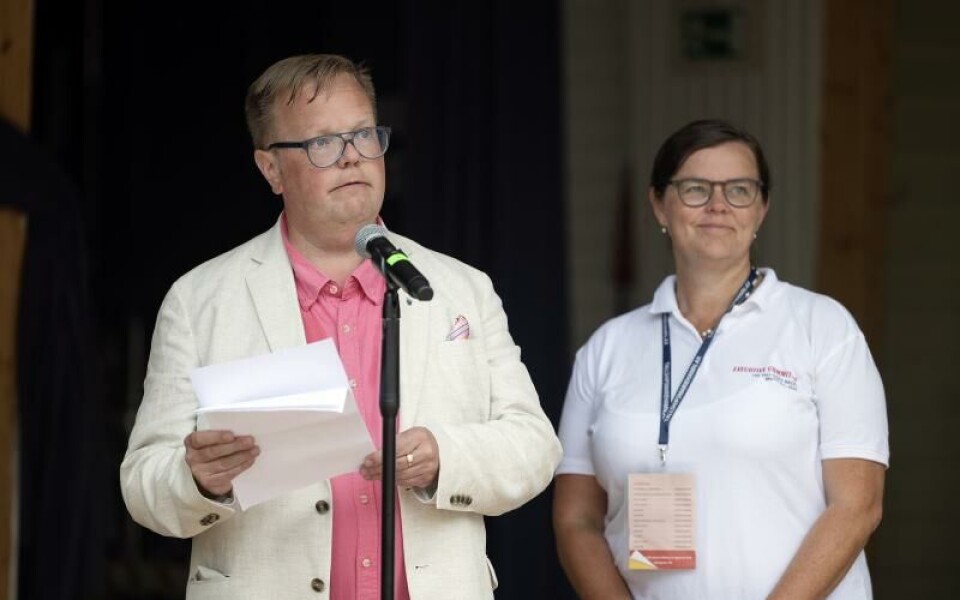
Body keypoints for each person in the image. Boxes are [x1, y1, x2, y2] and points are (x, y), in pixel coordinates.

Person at [119, 54, 561, 600]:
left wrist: (444, 456)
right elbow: (143, 484)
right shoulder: (200, 300)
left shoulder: (460, 287)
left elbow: (534, 445)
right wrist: (198, 481)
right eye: (322, 142)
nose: (352, 156)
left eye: (363, 135)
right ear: (271, 169)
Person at [553, 119, 888, 599]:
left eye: (739, 190)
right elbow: (576, 518)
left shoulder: (823, 327)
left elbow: (857, 507)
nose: (718, 205)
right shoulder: (606, 348)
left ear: (762, 208)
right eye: (695, 189)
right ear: (659, 204)